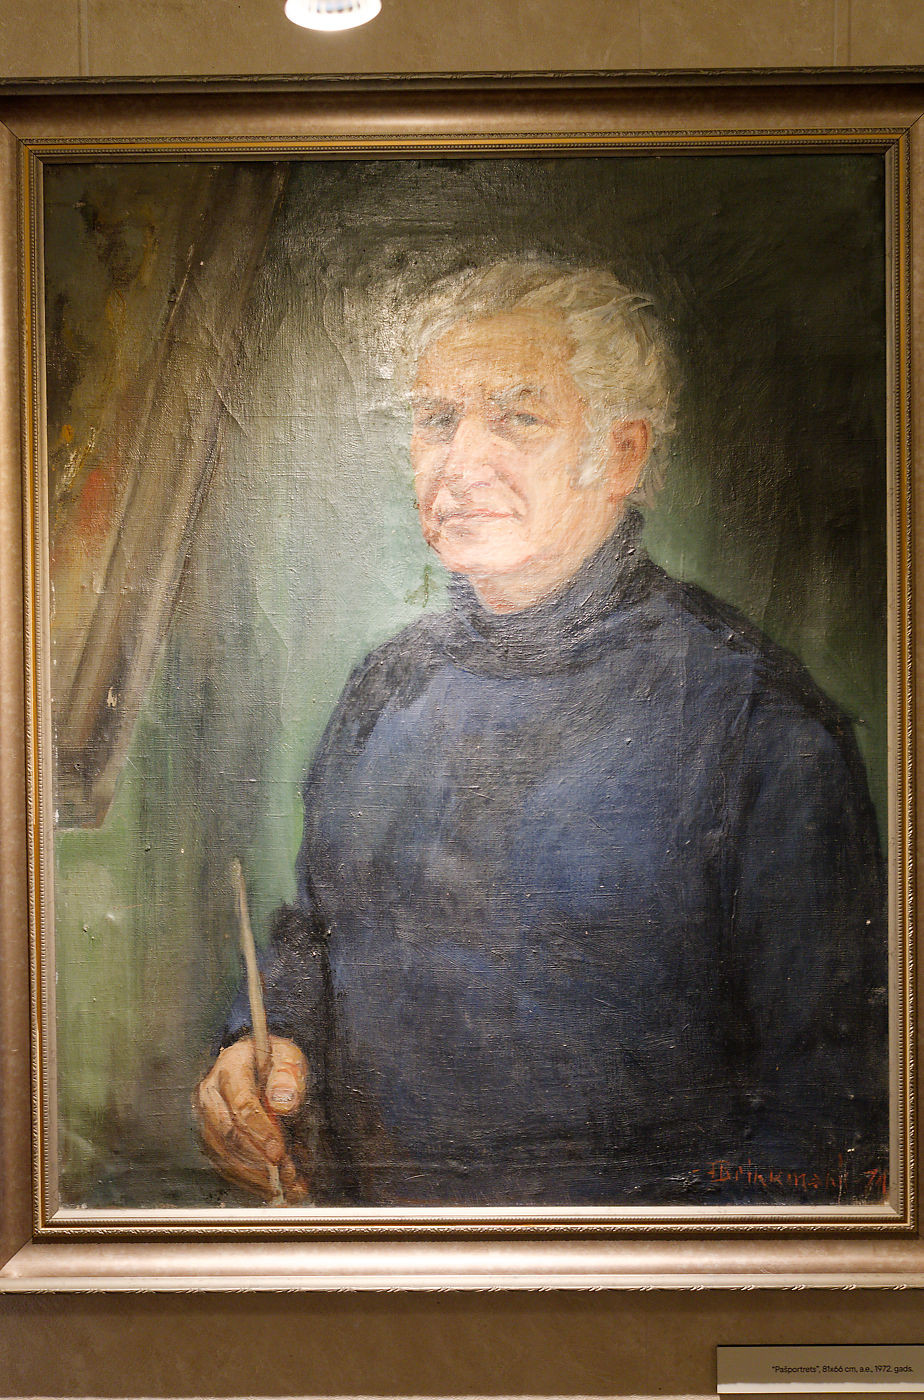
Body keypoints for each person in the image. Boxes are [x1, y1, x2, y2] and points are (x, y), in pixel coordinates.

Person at [195, 261, 888, 1207]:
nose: (461, 464)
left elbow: (829, 1124)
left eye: (518, 418)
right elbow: (315, 940)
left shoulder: (757, 725)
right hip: (369, 1263)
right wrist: (258, 1044)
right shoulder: (382, 691)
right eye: (438, 419)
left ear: (622, 456)